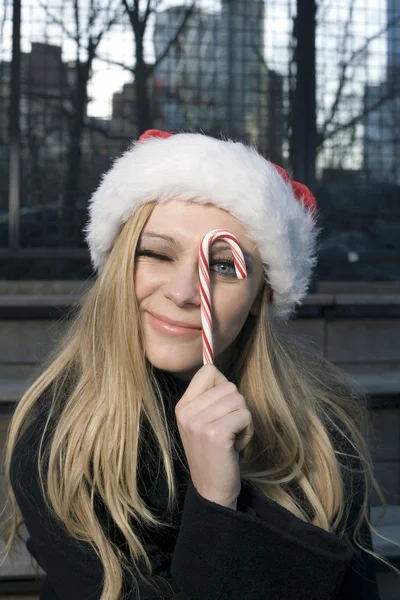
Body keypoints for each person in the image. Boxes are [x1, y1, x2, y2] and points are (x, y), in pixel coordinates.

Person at [1, 129, 391, 600]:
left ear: (259, 298)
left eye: (224, 266)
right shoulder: (57, 433)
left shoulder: (323, 439)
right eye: (157, 254)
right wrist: (214, 504)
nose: (185, 292)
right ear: (122, 263)